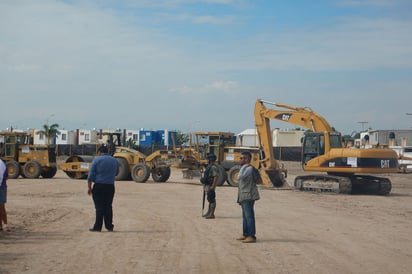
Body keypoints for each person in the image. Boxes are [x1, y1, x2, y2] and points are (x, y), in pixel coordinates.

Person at [87, 145, 119, 232]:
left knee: (99, 207)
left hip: (99, 186)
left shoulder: (96, 160)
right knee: (108, 206)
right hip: (110, 186)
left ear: (99, 152)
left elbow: (90, 176)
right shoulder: (114, 160)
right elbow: (116, 173)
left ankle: (97, 227)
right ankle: (109, 226)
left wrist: (89, 188)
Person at [237, 151, 260, 243]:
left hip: (248, 195)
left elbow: (239, 177)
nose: (241, 160)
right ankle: (245, 234)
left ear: (248, 159)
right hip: (244, 195)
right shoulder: (245, 168)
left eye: (243, 158)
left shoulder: (248, 169)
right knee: (245, 216)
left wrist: (243, 168)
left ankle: (251, 235)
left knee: (249, 216)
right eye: (241, 158)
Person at [201, 153, 219, 219]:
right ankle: (209, 212)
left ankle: (211, 214)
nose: (207, 160)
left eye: (208, 159)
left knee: (211, 198)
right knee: (209, 198)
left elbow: (215, 177)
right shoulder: (209, 166)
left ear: (210, 159)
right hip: (207, 184)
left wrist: (213, 186)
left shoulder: (213, 167)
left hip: (210, 185)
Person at [0, 159, 10, 232]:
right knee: (2, 207)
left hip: (1, 187)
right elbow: (6, 177)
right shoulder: (3, 164)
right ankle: (5, 225)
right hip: (2, 187)